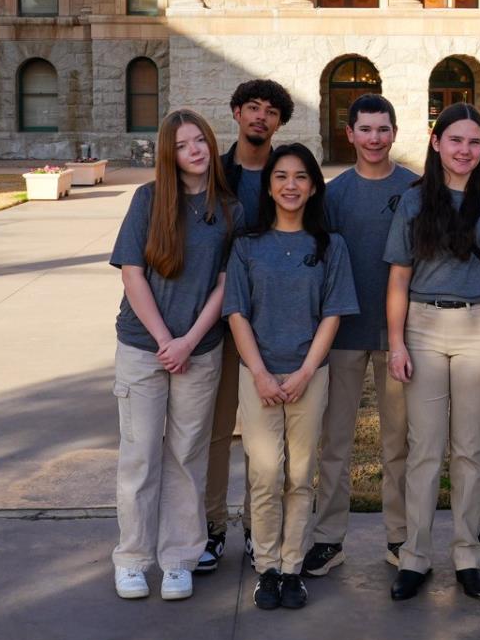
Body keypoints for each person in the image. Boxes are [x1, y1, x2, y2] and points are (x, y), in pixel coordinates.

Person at [384, 102, 480, 602]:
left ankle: (468, 554)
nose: (465, 150)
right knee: (424, 450)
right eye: (455, 141)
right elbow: (398, 277)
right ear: (435, 142)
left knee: (471, 450)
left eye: (473, 142)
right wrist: (397, 341)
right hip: (423, 326)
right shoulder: (415, 200)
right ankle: (416, 557)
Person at [108, 110, 238, 601]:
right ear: (170, 154)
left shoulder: (228, 208)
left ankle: (180, 558)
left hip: (200, 351)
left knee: (186, 457)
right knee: (139, 456)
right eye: (184, 145)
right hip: (143, 349)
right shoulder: (147, 200)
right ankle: (133, 559)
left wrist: (188, 341)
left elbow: (226, 284)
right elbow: (132, 274)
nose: (196, 151)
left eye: (201, 140)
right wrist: (165, 340)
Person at [224, 142, 359, 611]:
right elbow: (237, 312)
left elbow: (333, 314)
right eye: (280, 176)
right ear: (269, 185)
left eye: (301, 176)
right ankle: (266, 568)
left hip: (309, 374)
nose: (290, 185)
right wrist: (259, 373)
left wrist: (305, 372)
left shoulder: (329, 245)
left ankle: (292, 566)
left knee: (300, 475)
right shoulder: (247, 244)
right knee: (264, 475)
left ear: (314, 185)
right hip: (258, 373)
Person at [305, 93, 418, 576]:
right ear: (349, 134)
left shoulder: (416, 189)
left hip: (399, 336)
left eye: (383, 129)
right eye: (365, 129)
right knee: (336, 443)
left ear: (395, 132)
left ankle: (400, 537)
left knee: (398, 443)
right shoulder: (333, 195)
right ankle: (330, 537)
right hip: (345, 333)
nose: (375, 138)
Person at [201, 78, 294, 572]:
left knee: (267, 441)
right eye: (252, 108)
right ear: (236, 113)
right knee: (216, 434)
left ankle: (261, 530)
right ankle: (212, 529)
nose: (261, 117)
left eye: (271, 111)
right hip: (218, 323)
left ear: (280, 122)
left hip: (274, 328)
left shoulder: (289, 172)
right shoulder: (213, 175)